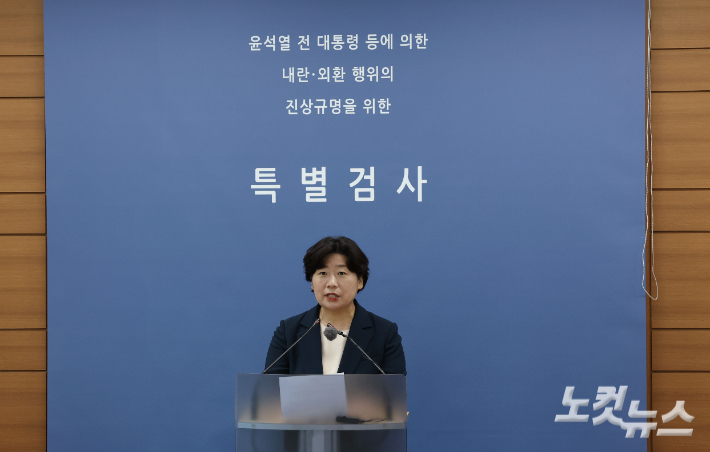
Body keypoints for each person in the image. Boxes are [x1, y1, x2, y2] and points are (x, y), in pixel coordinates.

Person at [264, 236, 406, 375]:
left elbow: (393, 389)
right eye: (323, 273)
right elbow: (270, 388)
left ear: (360, 281)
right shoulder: (288, 333)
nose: (332, 283)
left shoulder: (385, 334)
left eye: (341, 273)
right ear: (312, 282)